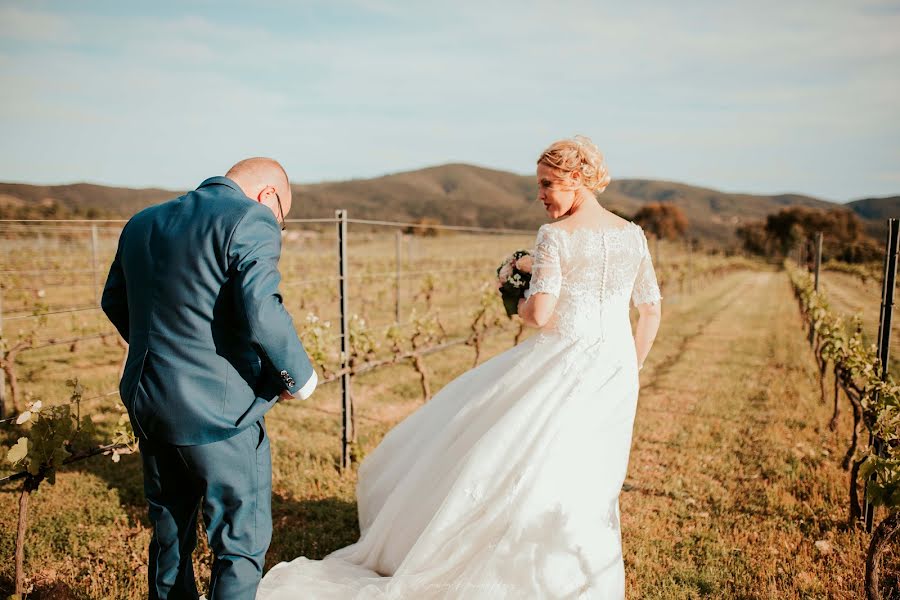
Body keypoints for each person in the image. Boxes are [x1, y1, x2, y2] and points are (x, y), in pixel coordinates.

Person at [256, 136, 662, 599]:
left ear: (575, 178)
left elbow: (541, 316)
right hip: (614, 371)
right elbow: (649, 310)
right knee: (589, 473)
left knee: (524, 460)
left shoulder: (556, 237)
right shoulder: (633, 235)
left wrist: (515, 291)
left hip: (564, 362)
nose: (541, 195)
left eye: (547, 184)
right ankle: (574, 577)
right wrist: (631, 366)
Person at [101, 157, 318, 600]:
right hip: (222, 415)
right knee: (239, 544)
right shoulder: (250, 218)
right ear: (269, 196)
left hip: (150, 401)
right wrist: (299, 377)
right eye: (283, 218)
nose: (279, 227)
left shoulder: (143, 222)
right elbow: (262, 309)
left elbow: (114, 301)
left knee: (170, 536)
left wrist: (167, 353)